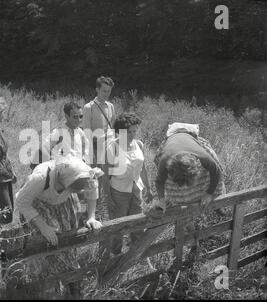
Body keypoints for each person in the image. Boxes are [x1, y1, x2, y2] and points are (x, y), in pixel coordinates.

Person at [14, 156, 103, 298]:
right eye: (74, 188)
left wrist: (91, 217)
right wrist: (44, 227)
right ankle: (47, 288)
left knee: (67, 241)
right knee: (48, 244)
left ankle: (72, 286)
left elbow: (92, 191)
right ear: (63, 181)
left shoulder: (86, 174)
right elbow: (21, 201)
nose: (77, 191)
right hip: (37, 206)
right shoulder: (40, 178)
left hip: (63, 204)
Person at [102, 112, 153, 256]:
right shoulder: (112, 147)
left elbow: (143, 168)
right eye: (128, 132)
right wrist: (108, 198)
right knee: (118, 225)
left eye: (134, 131)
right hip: (118, 191)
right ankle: (115, 254)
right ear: (119, 131)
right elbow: (105, 176)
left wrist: (148, 188)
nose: (132, 135)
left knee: (137, 223)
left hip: (136, 190)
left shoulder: (139, 145)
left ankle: (136, 253)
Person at [154, 123, 225, 211]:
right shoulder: (165, 159)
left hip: (190, 133)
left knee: (215, 159)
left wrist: (209, 194)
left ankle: (219, 205)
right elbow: (159, 181)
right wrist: (162, 200)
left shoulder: (203, 156)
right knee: (157, 161)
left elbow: (216, 171)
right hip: (172, 134)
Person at [32, 102, 89, 166]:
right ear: (67, 116)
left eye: (81, 116)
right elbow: (43, 150)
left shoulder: (81, 133)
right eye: (75, 117)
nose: (79, 120)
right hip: (61, 172)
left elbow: (85, 153)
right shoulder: (58, 133)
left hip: (78, 171)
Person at [83, 76, 116, 166]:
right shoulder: (88, 107)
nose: (107, 94)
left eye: (109, 91)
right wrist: (90, 154)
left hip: (109, 145)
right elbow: (87, 133)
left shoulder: (110, 106)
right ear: (97, 90)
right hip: (95, 148)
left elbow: (113, 128)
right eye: (104, 91)